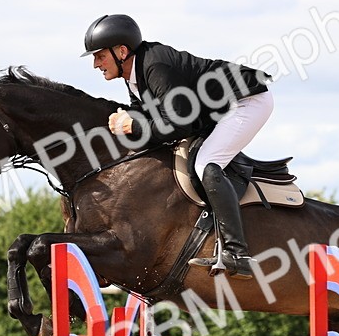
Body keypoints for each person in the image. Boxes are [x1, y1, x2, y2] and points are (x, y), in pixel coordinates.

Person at [82, 14, 273, 280]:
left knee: (206, 163)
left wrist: (133, 126)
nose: (95, 64)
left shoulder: (156, 65)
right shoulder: (133, 75)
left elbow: (177, 125)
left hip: (246, 102)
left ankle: (237, 253)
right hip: (213, 112)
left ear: (121, 51)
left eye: (99, 56)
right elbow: (147, 117)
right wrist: (125, 124)